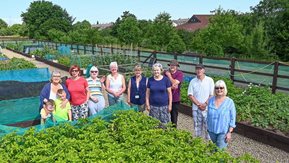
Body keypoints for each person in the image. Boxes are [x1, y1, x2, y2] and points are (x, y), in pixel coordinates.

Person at [207, 80, 236, 149]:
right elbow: (208, 114)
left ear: (224, 89)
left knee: (220, 152)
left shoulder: (229, 102)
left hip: (223, 131)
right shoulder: (211, 100)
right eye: (217, 88)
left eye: (221, 88)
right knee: (213, 150)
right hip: (211, 130)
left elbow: (233, 118)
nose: (219, 89)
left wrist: (229, 132)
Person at [188, 64, 214, 139]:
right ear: (195, 70)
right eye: (197, 69)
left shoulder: (210, 80)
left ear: (204, 70)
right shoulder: (193, 81)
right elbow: (190, 95)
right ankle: (198, 145)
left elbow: (211, 95)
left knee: (208, 128)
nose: (199, 70)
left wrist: (205, 104)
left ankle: (209, 145)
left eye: (200, 69)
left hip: (208, 108)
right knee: (197, 127)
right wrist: (199, 104)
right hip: (196, 108)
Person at [164, 59, 184, 127]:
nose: (172, 66)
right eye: (171, 65)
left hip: (175, 99)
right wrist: (171, 87)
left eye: (174, 65)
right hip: (165, 98)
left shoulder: (179, 74)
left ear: (177, 66)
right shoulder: (164, 73)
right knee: (164, 116)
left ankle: (173, 131)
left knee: (174, 117)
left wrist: (169, 76)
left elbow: (175, 83)